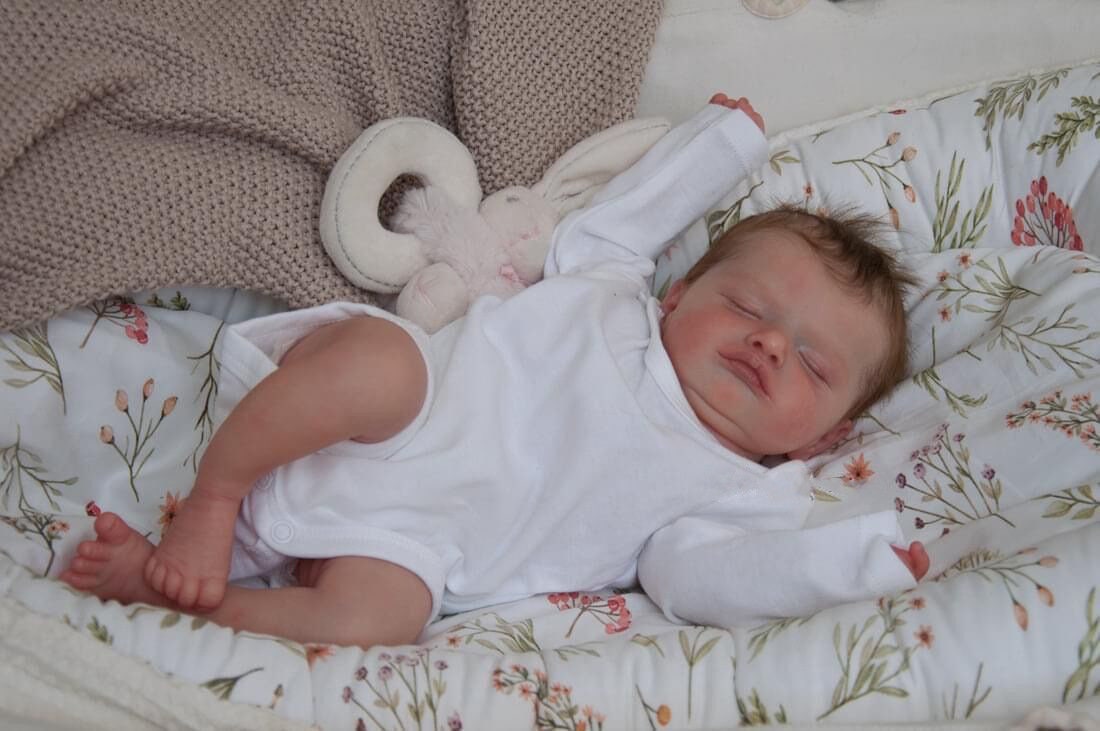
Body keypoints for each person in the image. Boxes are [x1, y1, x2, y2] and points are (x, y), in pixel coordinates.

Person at [60, 95, 929, 649]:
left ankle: (180, 601)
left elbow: (702, 577)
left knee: (380, 621)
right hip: (388, 420)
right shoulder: (614, 293)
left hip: (410, 547)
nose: (769, 344)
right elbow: (627, 220)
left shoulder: (737, 493)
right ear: (678, 296)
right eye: (746, 306)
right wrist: (723, 145)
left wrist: (855, 563)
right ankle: (214, 500)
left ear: (824, 436)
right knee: (380, 362)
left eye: (811, 362)